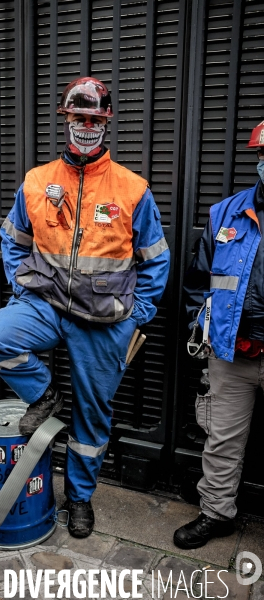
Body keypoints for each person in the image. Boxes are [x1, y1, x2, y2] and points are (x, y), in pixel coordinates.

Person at [0, 77, 170, 538]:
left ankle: (79, 500)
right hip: (44, 305)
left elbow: (156, 258)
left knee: (92, 416)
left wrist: (136, 315)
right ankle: (44, 395)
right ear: (65, 120)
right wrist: (23, 288)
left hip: (104, 321)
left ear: (106, 122)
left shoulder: (133, 189)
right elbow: (13, 239)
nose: (85, 126)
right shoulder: (37, 181)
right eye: (77, 118)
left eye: (94, 119)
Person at [174, 121, 264, 549]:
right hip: (231, 352)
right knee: (222, 440)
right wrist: (204, 326)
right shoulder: (226, 213)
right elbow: (199, 280)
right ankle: (216, 514)